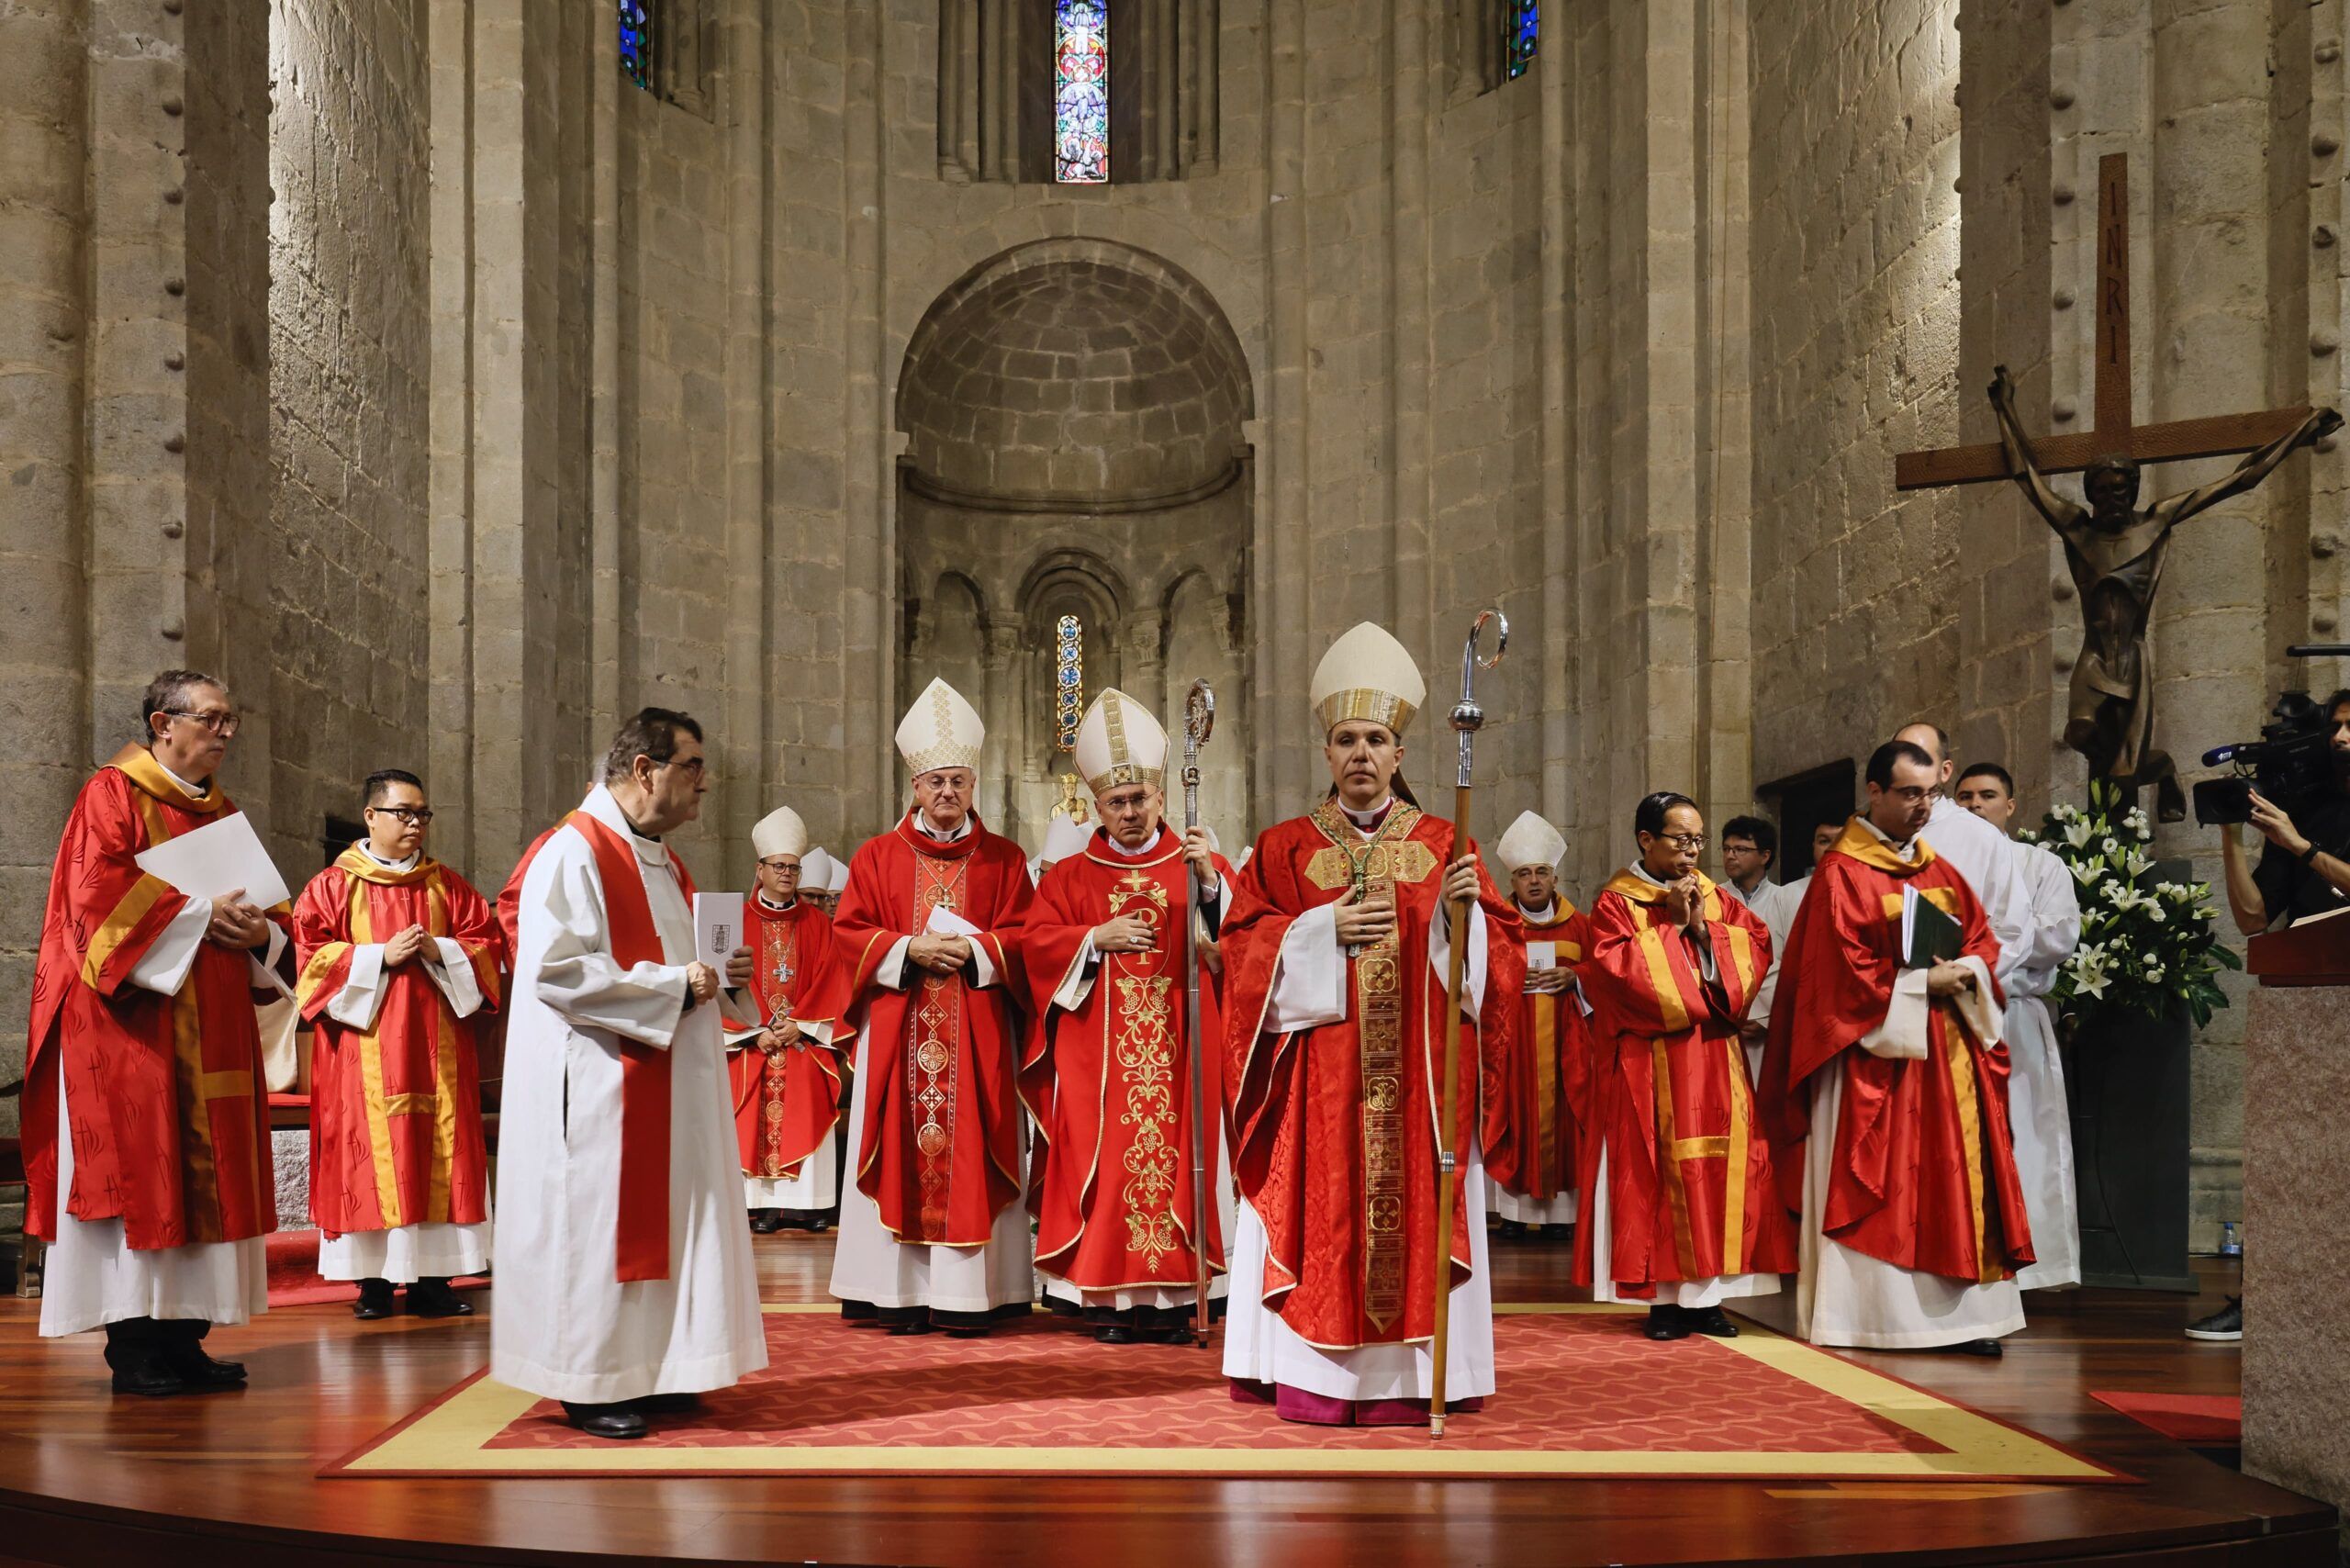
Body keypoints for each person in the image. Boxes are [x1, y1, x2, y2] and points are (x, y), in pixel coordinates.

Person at [1218, 622, 1524, 1426]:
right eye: (1347, 740)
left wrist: (1461, 921)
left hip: (1418, 1087)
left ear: (1398, 754)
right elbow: (1242, 949)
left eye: (1376, 740)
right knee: (1322, 1214)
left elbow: (1496, 967)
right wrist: (1318, 932)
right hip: (1316, 1085)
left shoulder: (1444, 843)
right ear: (1327, 753)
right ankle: (1313, 1378)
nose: (1361, 753)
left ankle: (1414, 1381)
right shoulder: (1282, 849)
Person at [491, 709, 767, 1440]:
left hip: (669, 1085)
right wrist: (676, 985)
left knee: (671, 1223)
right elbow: (556, 971)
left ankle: (655, 1367)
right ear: (645, 770)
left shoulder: (663, 862)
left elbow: (692, 970)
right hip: (601, 1087)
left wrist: (726, 974)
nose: (705, 782)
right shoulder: (572, 851)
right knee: (597, 1231)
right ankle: (589, 1380)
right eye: (693, 766)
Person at [25, 669, 287, 1394]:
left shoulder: (221, 812)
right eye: (211, 719)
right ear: (162, 724)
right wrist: (202, 913)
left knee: (204, 1185)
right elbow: (93, 902)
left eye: (230, 720)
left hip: (214, 1028)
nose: (225, 733)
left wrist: (260, 931)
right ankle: (134, 1347)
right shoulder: (112, 795)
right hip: (132, 1031)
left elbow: (273, 914)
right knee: (144, 1178)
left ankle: (183, 1339)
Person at [1759, 740, 2033, 1355]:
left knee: (1951, 1176)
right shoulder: (1842, 873)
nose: (1923, 806)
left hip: (1948, 1057)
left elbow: (1982, 938)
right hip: (1872, 1061)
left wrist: (1969, 968)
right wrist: (1917, 985)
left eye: (1930, 794)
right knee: (1886, 1180)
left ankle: (1967, 1320)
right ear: (1875, 792)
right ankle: (1878, 1318)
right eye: (1909, 794)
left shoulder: (1937, 868)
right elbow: (1836, 976)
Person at [1022, 689, 1236, 1343]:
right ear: (1097, 808)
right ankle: (1111, 1299)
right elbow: (1036, 946)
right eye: (1117, 803)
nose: (1131, 812)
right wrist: (1093, 938)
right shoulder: (1069, 877)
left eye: (1140, 798)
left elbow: (1243, 936)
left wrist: (1211, 890)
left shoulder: (1197, 865)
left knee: (1178, 1165)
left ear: (1162, 797)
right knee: (1110, 1167)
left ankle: (1172, 1301)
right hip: (1098, 1057)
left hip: (1181, 1047)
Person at [828, 678, 1035, 1336]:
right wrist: (907, 948)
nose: (947, 793)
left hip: (977, 1034)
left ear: (974, 785)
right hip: (899, 1029)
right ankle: (891, 1291)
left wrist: (978, 951)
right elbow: (847, 934)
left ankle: (971, 1294)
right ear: (915, 786)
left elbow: (1028, 940)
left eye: (958, 782)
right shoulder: (876, 857)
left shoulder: (1005, 860)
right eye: (936, 782)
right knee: (894, 1145)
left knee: (976, 1145)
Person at [1575, 793, 1791, 1341]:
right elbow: (1618, 977)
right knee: (1658, 1179)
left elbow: (1755, 948)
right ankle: (1665, 1305)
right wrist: (1670, 927)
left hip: (1716, 1059)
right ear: (1647, 840)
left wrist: (1701, 931)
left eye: (1698, 840)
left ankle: (1708, 1300)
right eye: (1681, 839)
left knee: (1716, 1177)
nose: (1692, 851)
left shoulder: (1715, 897)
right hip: (1649, 1063)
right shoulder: (1616, 903)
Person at [293, 768, 502, 1320]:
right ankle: (373, 1284)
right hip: (361, 1050)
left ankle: (434, 1281)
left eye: (422, 814)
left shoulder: (448, 887)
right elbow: (308, 961)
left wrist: (442, 952)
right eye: (403, 813)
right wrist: (377, 957)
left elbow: (487, 946)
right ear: (370, 816)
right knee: (367, 1160)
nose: (415, 824)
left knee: (437, 1153)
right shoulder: (333, 887)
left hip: (439, 1050)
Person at [1954, 763, 2085, 1291]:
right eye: (1965, 796)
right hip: (1949, 1011)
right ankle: (1961, 1255)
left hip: (2014, 1012)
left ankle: (2034, 1266)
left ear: (2010, 806)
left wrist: (1986, 943)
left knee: (2025, 1133)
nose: (1975, 804)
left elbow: (2059, 936)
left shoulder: (2040, 864)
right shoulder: (1935, 863)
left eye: (1987, 795)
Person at [722, 806, 846, 1236]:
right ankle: (761, 1206)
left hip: (801, 1042)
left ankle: (809, 1206)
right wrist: (754, 1033)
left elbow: (832, 980)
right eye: (779, 866)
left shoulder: (818, 924)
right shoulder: (735, 922)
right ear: (760, 869)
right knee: (750, 1094)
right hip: (751, 1043)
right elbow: (723, 987)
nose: (787, 874)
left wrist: (803, 1025)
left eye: (793, 868)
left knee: (808, 1086)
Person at [1485, 810, 1585, 1238]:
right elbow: (1474, 978)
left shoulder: (1580, 926)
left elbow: (1607, 973)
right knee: (1514, 1117)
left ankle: (1563, 1219)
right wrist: (1509, 978)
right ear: (1512, 881)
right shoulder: (1496, 926)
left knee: (1567, 1121)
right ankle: (1512, 1214)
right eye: (1524, 874)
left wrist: (1576, 978)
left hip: (1567, 1044)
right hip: (1515, 1045)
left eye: (1541, 872)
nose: (1533, 881)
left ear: (1555, 879)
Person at [1893, 724, 2035, 995]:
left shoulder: (1979, 836)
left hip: (1954, 995)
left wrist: (1963, 972)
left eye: (1920, 758)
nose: (1908, 767)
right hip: (1883, 996)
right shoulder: (1870, 835)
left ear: (1945, 771)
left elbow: (2013, 928)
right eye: (1899, 756)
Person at [2218, 689, 2350, 934]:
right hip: (2310, 952)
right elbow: (2252, 920)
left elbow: (2301, 847)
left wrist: (2302, 848)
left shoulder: (2296, 839)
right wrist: (2231, 831)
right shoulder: (2305, 810)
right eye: (2335, 728)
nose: (2340, 737)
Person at [1720, 814, 1803, 1081]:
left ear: (1765, 856)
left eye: (1741, 849)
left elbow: (1795, 965)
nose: (1730, 856)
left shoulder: (1785, 898)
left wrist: (1770, 1021)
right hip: (1722, 1022)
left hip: (1771, 1023)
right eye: (1726, 848)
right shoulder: (1712, 898)